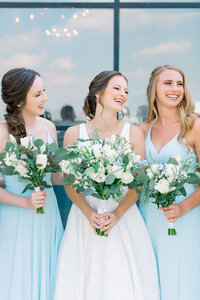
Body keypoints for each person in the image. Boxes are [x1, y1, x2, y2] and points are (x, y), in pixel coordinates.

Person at [54, 70, 160, 300]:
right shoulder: (73, 133)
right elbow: (69, 182)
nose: (123, 94)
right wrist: (89, 212)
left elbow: (138, 183)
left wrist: (117, 214)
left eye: (126, 91)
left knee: (122, 281)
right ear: (98, 93)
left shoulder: (133, 133)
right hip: (84, 218)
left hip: (123, 216)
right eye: (117, 88)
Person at [0, 68, 63, 300]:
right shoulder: (2, 132)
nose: (45, 98)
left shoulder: (49, 128)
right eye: (38, 94)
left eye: (44, 92)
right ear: (18, 100)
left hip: (48, 215)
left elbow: (55, 178)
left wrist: (86, 169)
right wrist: (25, 202)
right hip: (16, 217)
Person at [139, 65, 200, 300]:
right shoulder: (142, 130)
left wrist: (183, 207)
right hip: (149, 217)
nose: (176, 89)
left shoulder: (194, 126)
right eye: (168, 83)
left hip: (186, 216)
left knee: (183, 276)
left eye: (180, 84)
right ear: (154, 88)